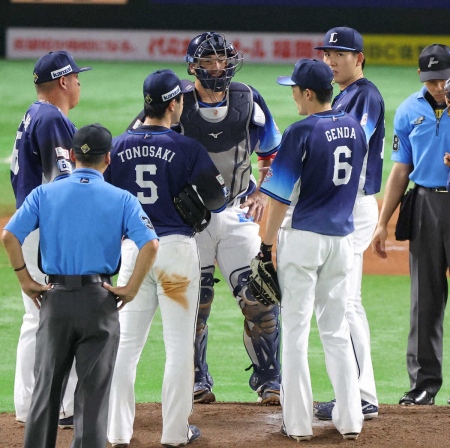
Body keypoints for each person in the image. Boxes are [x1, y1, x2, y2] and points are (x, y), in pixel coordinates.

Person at [129, 31, 283, 404]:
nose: (218, 67)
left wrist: (263, 190)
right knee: (196, 304)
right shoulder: (174, 101)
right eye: (209, 61)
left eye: (222, 59)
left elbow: (272, 152)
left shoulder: (249, 100)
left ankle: (269, 379)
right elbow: (137, 147)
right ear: (193, 66)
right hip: (188, 221)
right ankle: (198, 380)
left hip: (236, 213)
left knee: (260, 297)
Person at [2, 123, 159, 448]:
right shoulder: (122, 198)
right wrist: (129, 289)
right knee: (91, 400)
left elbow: (9, 236)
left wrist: (25, 279)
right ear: (108, 159)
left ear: (71, 156)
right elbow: (151, 245)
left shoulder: (44, 193)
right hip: (99, 302)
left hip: (55, 301)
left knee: (45, 394)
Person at [106, 70, 228, 448]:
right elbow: (218, 199)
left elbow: (108, 198)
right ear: (174, 103)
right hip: (175, 252)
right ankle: (175, 434)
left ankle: (116, 431)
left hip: (133, 254)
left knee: (126, 345)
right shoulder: (187, 148)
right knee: (178, 347)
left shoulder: (119, 145)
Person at [259, 58, 367, 441]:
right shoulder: (355, 127)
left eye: (293, 89)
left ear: (307, 93)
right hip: (342, 240)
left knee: (297, 331)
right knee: (336, 330)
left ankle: (299, 424)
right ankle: (351, 420)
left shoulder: (300, 130)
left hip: (304, 238)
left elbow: (278, 198)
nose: (292, 96)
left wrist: (265, 245)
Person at [9, 50, 92, 426]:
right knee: (55, 317)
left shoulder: (34, 113)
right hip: (47, 230)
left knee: (37, 318)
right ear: (62, 81)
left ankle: (31, 406)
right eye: (75, 77)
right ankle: (57, 407)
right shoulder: (52, 118)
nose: (78, 83)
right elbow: (63, 184)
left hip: (32, 226)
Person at [312, 26, 385, 420]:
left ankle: (360, 395)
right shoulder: (344, 96)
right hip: (343, 203)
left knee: (347, 300)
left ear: (359, 58)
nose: (331, 60)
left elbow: (350, 145)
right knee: (346, 300)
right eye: (328, 54)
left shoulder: (366, 95)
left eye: (339, 54)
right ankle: (358, 392)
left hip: (353, 206)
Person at [372, 44, 450, 406]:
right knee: (425, 299)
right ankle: (423, 385)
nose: (438, 86)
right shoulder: (407, 110)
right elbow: (400, 169)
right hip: (425, 204)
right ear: (420, 76)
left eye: (444, 79)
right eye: (432, 80)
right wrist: (382, 222)